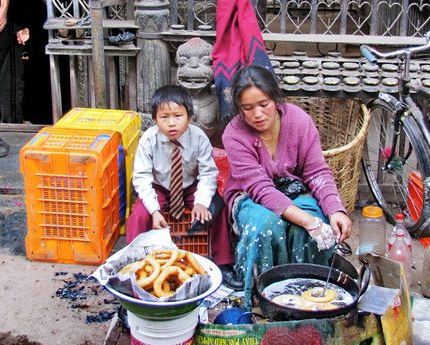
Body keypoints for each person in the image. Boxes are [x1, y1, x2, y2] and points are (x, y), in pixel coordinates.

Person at [222, 64, 352, 306]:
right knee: (265, 226)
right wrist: (308, 221)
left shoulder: (299, 121)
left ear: (275, 98)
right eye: (248, 108)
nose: (257, 114)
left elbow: (316, 172)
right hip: (250, 196)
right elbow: (260, 188)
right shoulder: (234, 133)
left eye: (264, 104)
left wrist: (336, 209)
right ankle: (262, 299)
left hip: (295, 189)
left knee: (315, 229)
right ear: (239, 109)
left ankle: (310, 298)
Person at [126, 84, 237, 284]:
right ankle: (133, 262)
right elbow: (141, 177)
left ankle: (223, 262)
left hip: (189, 187)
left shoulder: (199, 137)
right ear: (155, 119)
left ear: (190, 117)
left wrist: (201, 202)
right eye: (164, 117)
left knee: (217, 208)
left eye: (178, 116)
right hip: (159, 186)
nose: (171, 123)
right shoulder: (149, 140)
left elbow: (208, 173)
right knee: (139, 215)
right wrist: (153, 210)